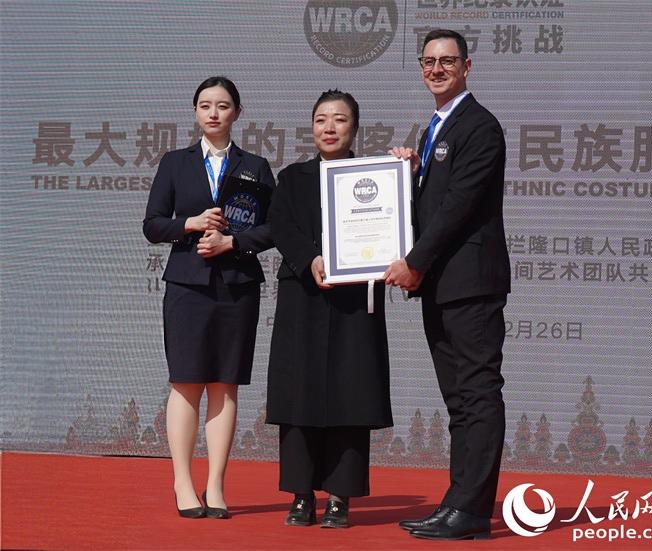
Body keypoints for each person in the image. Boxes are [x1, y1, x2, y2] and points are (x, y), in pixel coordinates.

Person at [385, 29, 511, 540]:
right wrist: (411, 175)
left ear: (467, 66)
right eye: (428, 61)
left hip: (470, 283)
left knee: (478, 393)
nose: (436, 69)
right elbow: (437, 200)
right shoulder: (434, 128)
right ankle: (458, 503)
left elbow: (459, 206)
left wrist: (413, 262)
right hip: (442, 284)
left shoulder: (479, 126)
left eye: (447, 61)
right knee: (458, 400)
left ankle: (473, 509)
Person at [143, 76, 275, 519]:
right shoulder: (175, 163)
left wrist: (232, 242)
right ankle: (183, 481)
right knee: (186, 382)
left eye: (222, 105)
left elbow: (273, 228)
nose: (213, 113)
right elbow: (152, 225)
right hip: (187, 285)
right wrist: (191, 223)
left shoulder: (256, 166)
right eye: (205, 105)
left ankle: (216, 483)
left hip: (237, 285)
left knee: (224, 384)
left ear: (237, 112)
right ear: (195, 112)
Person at [266, 89, 393, 529]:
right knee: (298, 393)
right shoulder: (293, 177)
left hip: (355, 299)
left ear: (354, 127)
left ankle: (341, 496)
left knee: (351, 394)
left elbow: (395, 222)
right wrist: (311, 259)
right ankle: (301, 494)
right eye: (321, 119)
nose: (329, 127)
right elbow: (280, 225)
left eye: (339, 119)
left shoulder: (374, 175)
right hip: (304, 293)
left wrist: (404, 171)